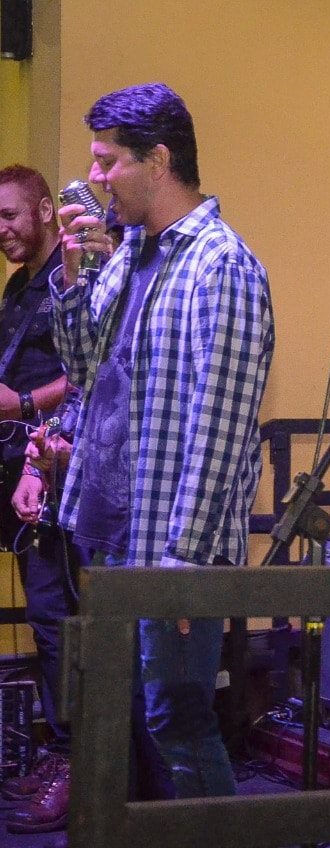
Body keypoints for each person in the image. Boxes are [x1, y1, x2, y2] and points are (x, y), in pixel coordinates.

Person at [54, 82, 275, 798]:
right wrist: (73, 274)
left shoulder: (223, 265)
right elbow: (85, 370)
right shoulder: (132, 254)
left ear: (157, 159)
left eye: (106, 160)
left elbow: (221, 427)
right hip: (114, 531)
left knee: (176, 722)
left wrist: (186, 563)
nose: (93, 177)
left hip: (173, 548)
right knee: (120, 723)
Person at [0, 164, 77, 833]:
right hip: (20, 464)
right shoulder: (21, 285)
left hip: (57, 465)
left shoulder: (72, 280)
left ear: (47, 210)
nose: (1, 232)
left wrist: (21, 403)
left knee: (55, 615)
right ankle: (60, 751)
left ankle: (72, 757)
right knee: (44, 609)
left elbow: (87, 375)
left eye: (9, 216)